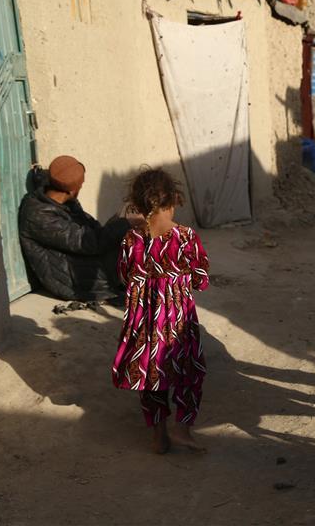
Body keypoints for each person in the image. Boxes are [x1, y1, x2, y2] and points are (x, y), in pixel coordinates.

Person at [111, 168, 210, 454]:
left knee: (151, 376)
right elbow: (201, 279)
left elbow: (123, 275)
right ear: (174, 199)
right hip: (178, 324)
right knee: (189, 372)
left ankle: (158, 435)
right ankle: (183, 428)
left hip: (144, 322)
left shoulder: (131, 240)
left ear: (139, 206)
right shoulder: (186, 237)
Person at [18, 155, 135, 302]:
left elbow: (93, 228)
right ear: (72, 190)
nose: (81, 187)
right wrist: (126, 223)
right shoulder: (39, 216)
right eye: (81, 185)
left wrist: (120, 222)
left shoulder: (65, 202)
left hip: (82, 261)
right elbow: (88, 243)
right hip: (73, 280)